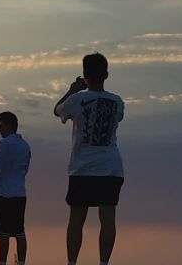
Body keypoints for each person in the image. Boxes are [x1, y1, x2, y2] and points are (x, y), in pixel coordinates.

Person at [54, 53, 125, 265]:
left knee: (76, 219)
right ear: (106, 75)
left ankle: (72, 262)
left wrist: (71, 91)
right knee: (108, 219)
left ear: (85, 76)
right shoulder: (117, 101)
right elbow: (118, 119)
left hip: (82, 167)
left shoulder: (77, 99)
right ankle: (104, 262)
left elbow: (57, 111)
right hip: (110, 166)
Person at [0, 111, 30, 264]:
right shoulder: (25, 145)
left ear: (9, 125)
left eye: (2, 125)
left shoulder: (5, 143)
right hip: (20, 193)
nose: (0, 129)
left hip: (5, 193)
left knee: (3, 233)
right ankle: (22, 262)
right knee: (19, 232)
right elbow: (24, 168)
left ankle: (2, 263)